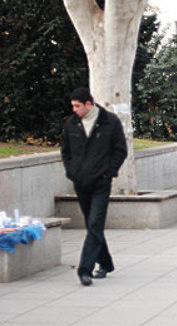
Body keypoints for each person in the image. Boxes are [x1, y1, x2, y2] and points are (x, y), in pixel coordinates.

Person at [60, 87, 127, 286]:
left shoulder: (110, 122)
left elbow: (120, 150)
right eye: (72, 106)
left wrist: (109, 172)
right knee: (92, 224)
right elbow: (66, 152)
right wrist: (71, 172)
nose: (74, 110)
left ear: (89, 104)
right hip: (80, 182)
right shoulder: (71, 124)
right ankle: (106, 262)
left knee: (95, 223)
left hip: (101, 182)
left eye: (77, 106)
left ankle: (85, 270)